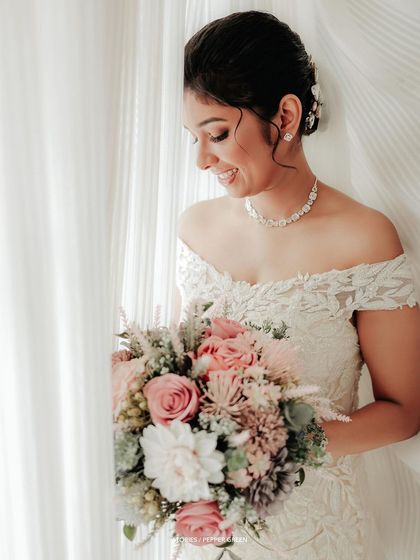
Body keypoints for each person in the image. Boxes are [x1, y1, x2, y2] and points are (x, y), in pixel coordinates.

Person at [173, 10, 420, 560]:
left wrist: (276, 444)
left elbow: (403, 411)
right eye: (193, 138)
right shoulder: (196, 229)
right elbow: (179, 373)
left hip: (312, 533)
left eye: (216, 134)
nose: (202, 160)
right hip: (208, 528)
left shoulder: (365, 238)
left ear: (285, 114)